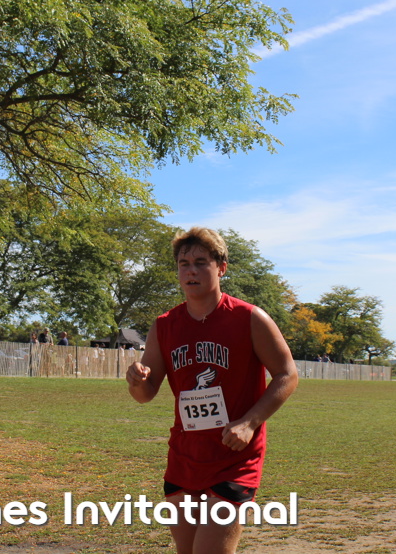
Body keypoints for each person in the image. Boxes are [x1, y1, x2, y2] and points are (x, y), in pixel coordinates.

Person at [126, 227, 298, 554]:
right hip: (185, 456)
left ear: (221, 268)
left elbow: (287, 375)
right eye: (184, 264)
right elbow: (145, 394)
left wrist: (249, 423)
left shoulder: (249, 318)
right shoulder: (165, 325)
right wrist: (136, 380)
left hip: (235, 455)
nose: (191, 271)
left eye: (201, 262)